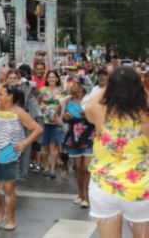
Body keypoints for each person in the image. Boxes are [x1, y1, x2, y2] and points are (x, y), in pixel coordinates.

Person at [85, 67, 149, 238]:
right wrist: (141, 86)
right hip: (140, 187)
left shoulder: (99, 112)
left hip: (103, 186)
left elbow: (88, 106)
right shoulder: (145, 116)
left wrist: (110, 84)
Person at [0, 84, 43, 231]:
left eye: (1, 94)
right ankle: (1, 209)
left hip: (11, 156)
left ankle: (11, 218)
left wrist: (24, 143)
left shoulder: (19, 113)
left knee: (8, 189)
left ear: (10, 96)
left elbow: (38, 129)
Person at [63, 75, 95, 208]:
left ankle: (88, 196)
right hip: (74, 134)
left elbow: (95, 117)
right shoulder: (69, 100)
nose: (72, 87)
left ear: (82, 88)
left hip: (89, 134)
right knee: (78, 167)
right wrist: (66, 118)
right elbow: (63, 118)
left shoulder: (91, 100)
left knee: (86, 167)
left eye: (75, 84)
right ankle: (80, 194)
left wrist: (86, 116)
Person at [38, 71, 63, 179]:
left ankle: (53, 169)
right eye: (49, 77)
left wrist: (59, 116)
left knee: (54, 145)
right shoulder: (42, 90)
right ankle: (46, 167)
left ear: (57, 78)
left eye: (53, 77)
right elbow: (38, 102)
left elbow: (64, 104)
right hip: (43, 121)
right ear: (47, 79)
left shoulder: (61, 91)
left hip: (56, 121)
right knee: (45, 146)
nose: (51, 79)